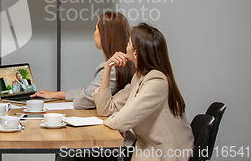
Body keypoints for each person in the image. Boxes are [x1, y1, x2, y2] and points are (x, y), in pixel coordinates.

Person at [93, 23, 194, 161]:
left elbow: (120, 121)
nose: (125, 47)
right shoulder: (139, 77)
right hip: (149, 148)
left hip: (164, 153)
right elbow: (106, 109)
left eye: (128, 43)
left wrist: (119, 123)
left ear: (135, 52)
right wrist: (107, 68)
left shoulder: (157, 82)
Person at [32, 11, 135, 109]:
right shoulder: (126, 64)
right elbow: (90, 92)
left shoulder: (112, 69)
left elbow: (82, 102)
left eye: (96, 29)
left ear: (104, 35)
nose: (94, 33)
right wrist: (55, 94)